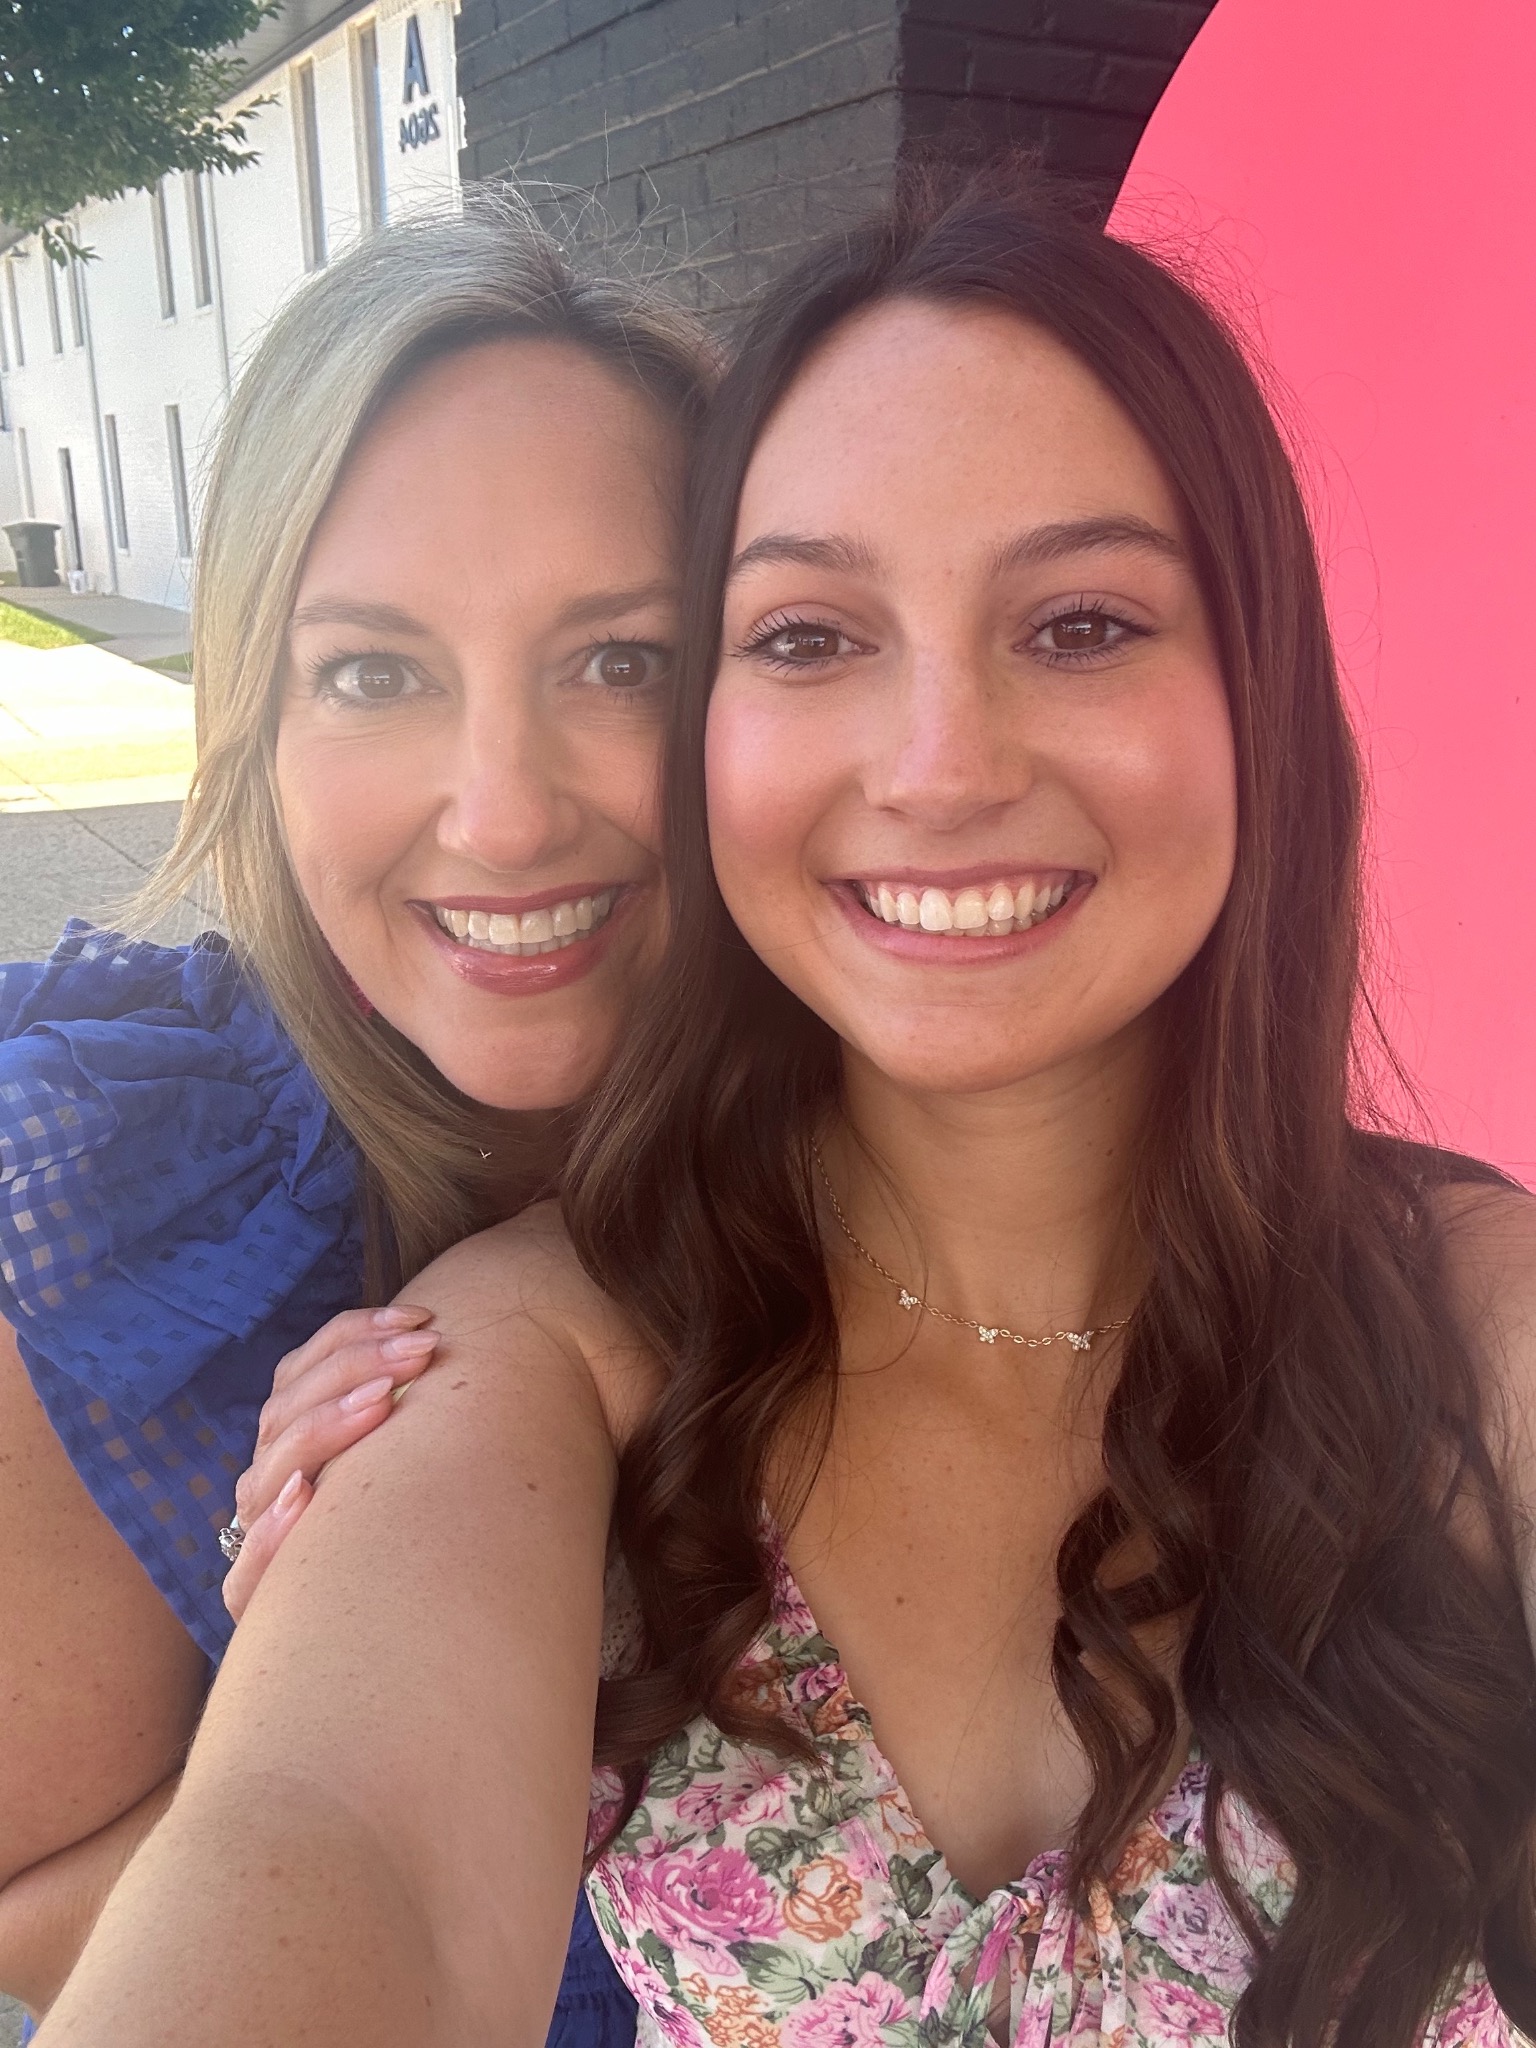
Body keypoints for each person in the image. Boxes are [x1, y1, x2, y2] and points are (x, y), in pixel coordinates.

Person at [34, 176, 1536, 2048]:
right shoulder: (524, 1352)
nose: (941, 769)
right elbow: (350, 1853)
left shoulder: (1479, 1319)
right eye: (813, 636)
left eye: (1082, 623)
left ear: (1261, 690)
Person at [0, 192, 711, 2039]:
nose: (503, 811)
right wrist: (357, 1667)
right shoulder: (116, 1194)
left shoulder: (913, 1151)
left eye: (622, 660)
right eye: (375, 673)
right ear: (257, 714)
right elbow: (22, 1906)